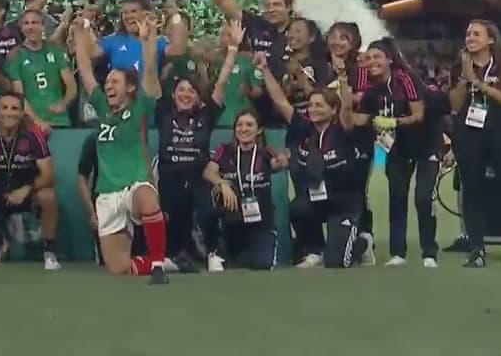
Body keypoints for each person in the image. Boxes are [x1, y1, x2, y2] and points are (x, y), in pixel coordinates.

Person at [71, 16, 169, 284]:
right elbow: (86, 73)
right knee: (118, 268)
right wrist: (80, 39)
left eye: (115, 82)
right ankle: (164, 262)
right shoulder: (102, 109)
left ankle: (158, 265)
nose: (108, 86)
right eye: (108, 82)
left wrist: (148, 42)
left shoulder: (141, 108)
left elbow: (149, 74)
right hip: (107, 193)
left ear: (130, 88)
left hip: (134, 185)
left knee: (148, 199)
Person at [260, 54, 374, 268]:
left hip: (344, 204)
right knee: (298, 208)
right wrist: (265, 69)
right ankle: (314, 249)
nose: (313, 109)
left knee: (337, 262)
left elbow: (347, 109)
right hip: (316, 199)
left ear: (333, 110)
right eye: (311, 105)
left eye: (320, 105)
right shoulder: (304, 128)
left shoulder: (343, 130)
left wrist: (341, 78)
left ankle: (361, 244)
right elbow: (280, 100)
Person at [153, 20, 240, 270]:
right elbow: (150, 77)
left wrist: (232, 50)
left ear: (197, 97)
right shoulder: (163, 112)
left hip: (198, 177)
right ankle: (177, 256)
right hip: (169, 178)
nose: (186, 94)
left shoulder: (206, 115)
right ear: (173, 95)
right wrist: (149, 43)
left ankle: (214, 252)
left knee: (208, 211)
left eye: (191, 91)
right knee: (173, 217)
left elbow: (221, 84)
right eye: (181, 90)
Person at [359, 38, 436, 267]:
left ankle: (429, 253)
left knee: (423, 198)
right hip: (396, 146)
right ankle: (398, 253)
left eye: (377, 57)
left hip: (425, 143)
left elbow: (419, 115)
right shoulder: (371, 89)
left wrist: (393, 121)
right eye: (368, 58)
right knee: (397, 196)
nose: (372, 62)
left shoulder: (405, 78)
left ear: (389, 59)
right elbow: (362, 117)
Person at [0, 91, 59, 269]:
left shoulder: (34, 135)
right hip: (0, 192)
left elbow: (47, 175)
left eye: (15, 108)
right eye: (4, 108)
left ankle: (49, 253)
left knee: (48, 197)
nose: (9, 113)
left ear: (22, 113)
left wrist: (27, 189)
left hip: (29, 194)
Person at [449, 19, 501, 268]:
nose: (470, 38)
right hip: (469, 132)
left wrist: (478, 83)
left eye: (476, 34)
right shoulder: (459, 65)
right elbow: (455, 105)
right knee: (471, 189)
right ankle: (476, 249)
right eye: (468, 34)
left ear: (490, 40)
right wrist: (465, 81)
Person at [202, 111, 289, 271]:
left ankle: (242, 256)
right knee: (209, 203)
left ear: (259, 130)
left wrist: (281, 161)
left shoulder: (265, 152)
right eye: (239, 125)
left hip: (261, 222)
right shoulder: (225, 150)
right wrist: (222, 183)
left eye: (249, 125)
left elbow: (277, 163)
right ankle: (219, 250)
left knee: (263, 265)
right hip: (233, 221)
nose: (244, 129)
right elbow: (208, 172)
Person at [206, 0, 293, 77]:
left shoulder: (299, 31)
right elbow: (223, 2)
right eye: (268, 6)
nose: (271, 9)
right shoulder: (256, 24)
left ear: (289, 7)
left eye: (277, 5)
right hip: (253, 91)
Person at [5, 9, 77, 128]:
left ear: (42, 26)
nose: (30, 27)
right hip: (31, 124)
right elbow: (19, 95)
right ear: (21, 28)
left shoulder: (55, 52)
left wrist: (64, 103)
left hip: (60, 121)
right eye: (26, 23)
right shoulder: (16, 56)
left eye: (34, 23)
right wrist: (37, 121)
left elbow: (72, 86)